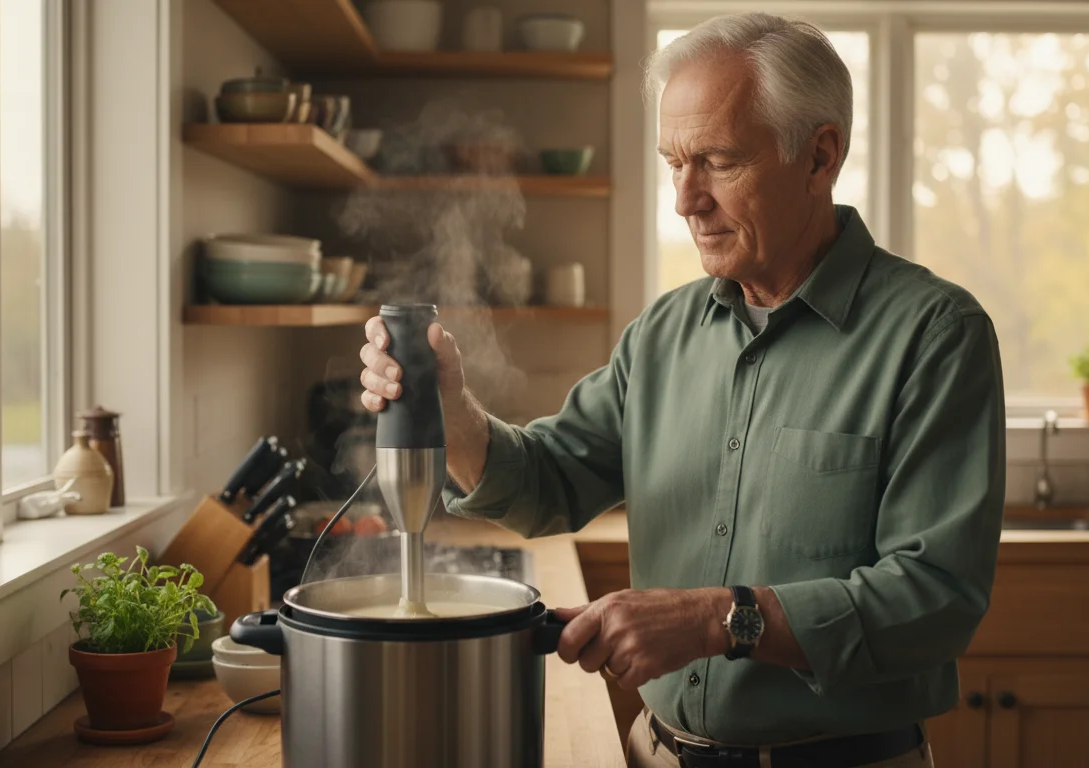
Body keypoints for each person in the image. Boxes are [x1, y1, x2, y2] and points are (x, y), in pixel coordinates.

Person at [358, 12, 1004, 768]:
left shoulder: (934, 334)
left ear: (820, 155)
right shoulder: (662, 334)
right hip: (657, 754)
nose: (685, 200)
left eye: (718, 161)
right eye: (674, 163)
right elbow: (547, 482)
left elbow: (933, 600)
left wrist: (718, 619)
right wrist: (452, 413)